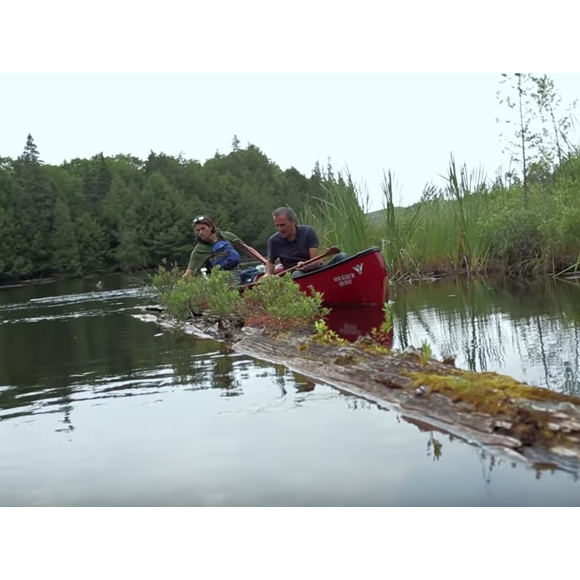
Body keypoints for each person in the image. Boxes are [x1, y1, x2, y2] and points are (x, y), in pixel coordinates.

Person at [263, 207, 348, 279]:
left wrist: (305, 265)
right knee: (296, 274)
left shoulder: (308, 232)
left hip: (314, 269)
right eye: (277, 226)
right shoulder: (273, 241)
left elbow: (316, 262)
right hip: (295, 275)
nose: (280, 229)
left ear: (293, 222)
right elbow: (270, 262)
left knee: (341, 256)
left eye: (282, 225)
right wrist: (268, 274)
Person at [182, 215, 265, 284]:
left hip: (238, 273)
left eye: (203, 228)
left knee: (252, 273)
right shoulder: (199, 250)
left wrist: (266, 262)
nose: (200, 232)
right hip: (221, 281)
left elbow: (247, 249)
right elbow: (189, 272)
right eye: (197, 230)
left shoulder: (226, 236)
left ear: (210, 227)